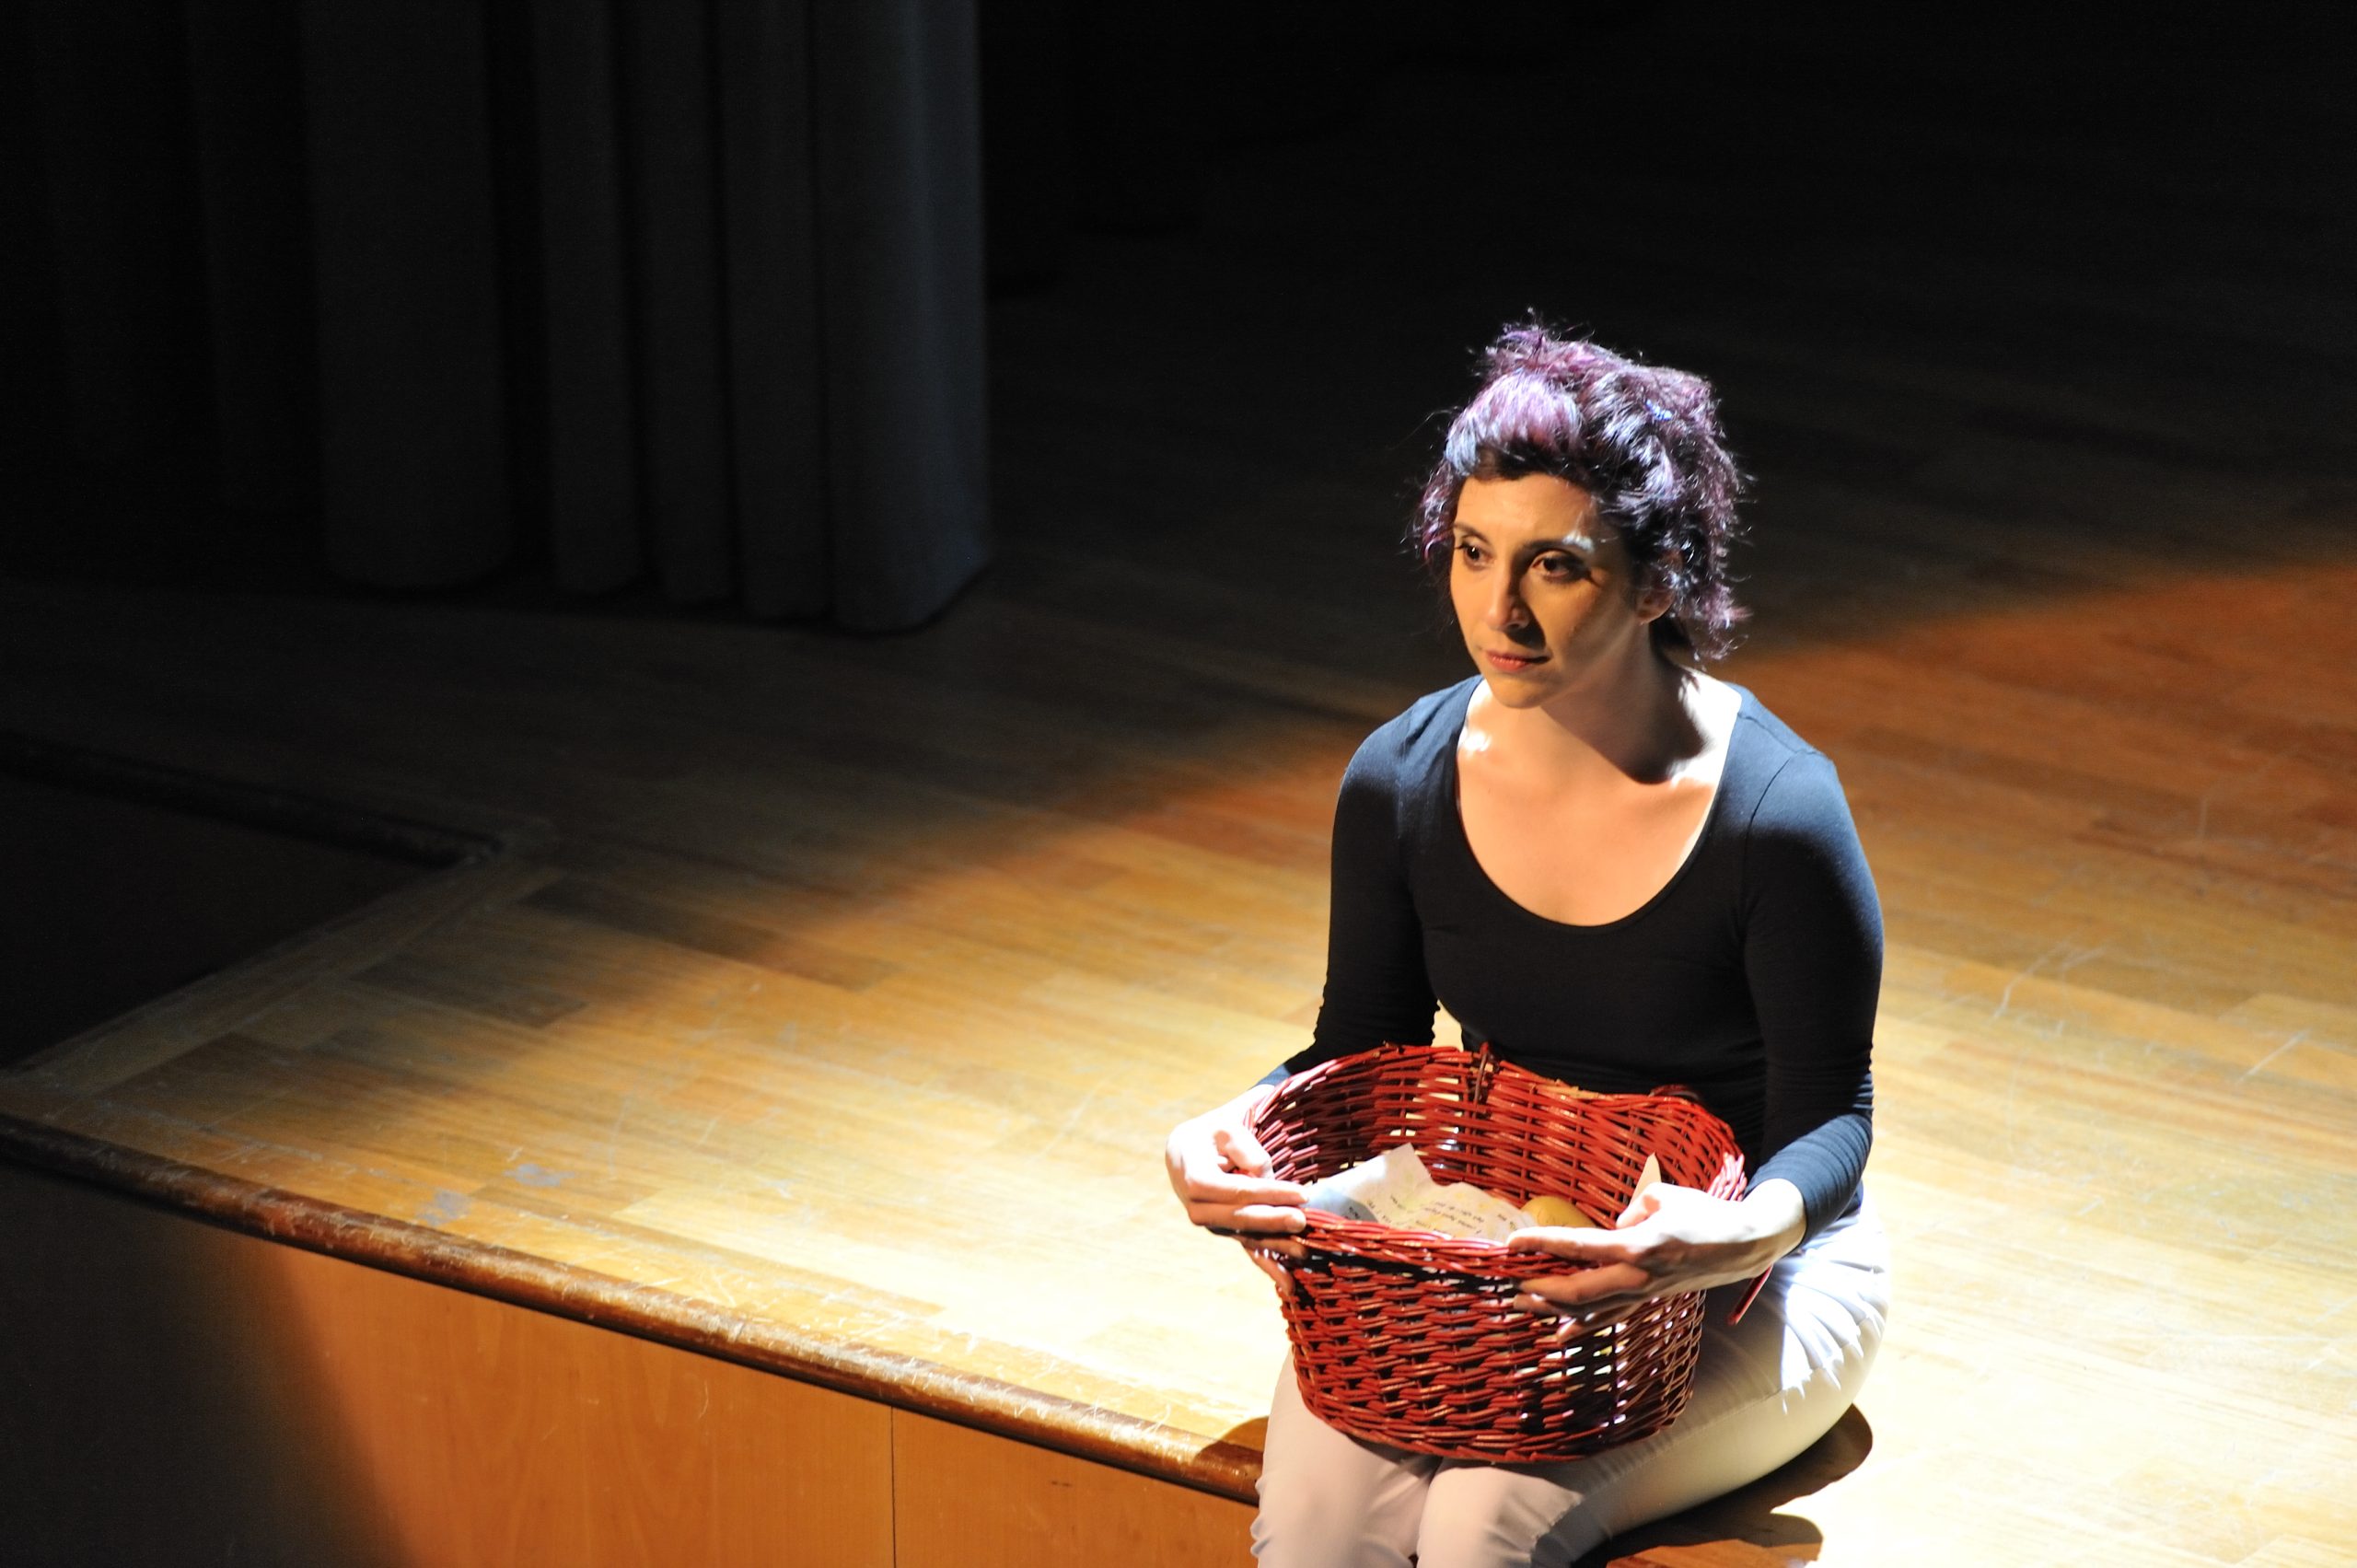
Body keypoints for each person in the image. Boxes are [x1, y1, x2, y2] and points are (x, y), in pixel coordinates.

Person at [1163, 324, 1891, 1567]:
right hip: (1497, 1278)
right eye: (1473, 553)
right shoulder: (1400, 779)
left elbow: (1832, 1117)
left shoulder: (1777, 813)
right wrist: (1227, 1126)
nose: (1499, 611)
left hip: (1754, 1280)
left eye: (1555, 567)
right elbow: (1362, 1049)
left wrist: (1720, 1241)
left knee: (1481, 1524)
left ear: (1657, 582)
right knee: (1318, 1534)